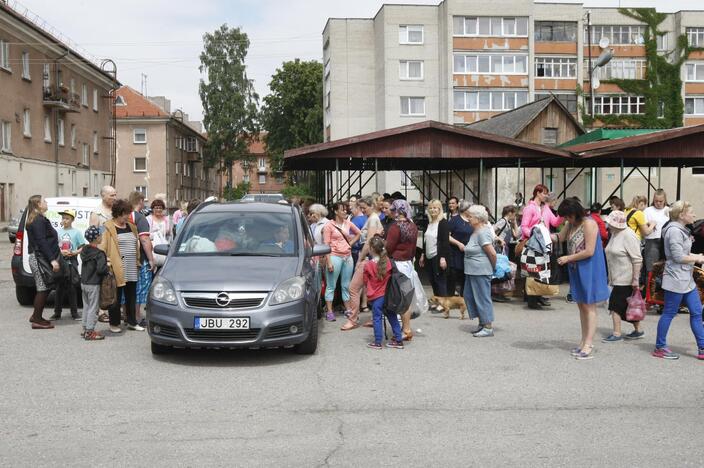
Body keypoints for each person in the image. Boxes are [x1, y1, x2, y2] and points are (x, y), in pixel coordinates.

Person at [551, 198, 610, 360]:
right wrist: (540, 234)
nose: (566, 220)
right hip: (576, 268)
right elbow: (559, 237)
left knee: (589, 306)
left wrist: (568, 258)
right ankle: (583, 340)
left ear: (575, 213)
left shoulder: (589, 224)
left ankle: (588, 343)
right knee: (581, 306)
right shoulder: (571, 224)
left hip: (589, 268)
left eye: (567, 216)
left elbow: (589, 251)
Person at [653, 201, 704, 360]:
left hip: (685, 279)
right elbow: (677, 257)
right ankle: (660, 347)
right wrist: (697, 258)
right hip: (676, 279)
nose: (694, 215)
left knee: (696, 312)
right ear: (681, 215)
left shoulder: (681, 229)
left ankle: (702, 347)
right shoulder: (674, 231)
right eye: (691, 212)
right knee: (669, 313)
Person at [341, 196, 384, 330]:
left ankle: (352, 319)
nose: (362, 210)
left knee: (353, 288)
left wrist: (360, 259)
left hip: (368, 259)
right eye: (361, 208)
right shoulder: (374, 218)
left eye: (364, 208)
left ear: (371, 206)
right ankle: (374, 317)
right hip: (374, 259)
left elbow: (369, 242)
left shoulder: (372, 219)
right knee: (373, 289)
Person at [100, 199, 142, 333]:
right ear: (119, 213)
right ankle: (114, 323)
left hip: (131, 267)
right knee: (116, 297)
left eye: (129, 213)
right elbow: (102, 248)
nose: (128, 216)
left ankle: (132, 322)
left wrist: (137, 261)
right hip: (116, 268)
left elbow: (136, 245)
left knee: (131, 296)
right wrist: (107, 263)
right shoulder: (108, 227)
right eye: (126, 213)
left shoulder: (132, 227)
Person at [603, 211, 644, 342]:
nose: (607, 225)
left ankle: (616, 333)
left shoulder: (628, 235)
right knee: (627, 306)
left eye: (610, 223)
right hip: (616, 276)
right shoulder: (615, 234)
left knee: (615, 305)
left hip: (626, 277)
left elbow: (637, 259)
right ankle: (638, 330)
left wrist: (635, 279)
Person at [521, 184, 563, 309]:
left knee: (542, 270)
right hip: (533, 244)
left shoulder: (545, 208)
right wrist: (534, 235)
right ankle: (532, 299)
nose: (546, 196)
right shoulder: (530, 208)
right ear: (538, 193)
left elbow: (555, 222)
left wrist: (562, 214)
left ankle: (538, 296)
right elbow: (524, 227)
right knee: (533, 270)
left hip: (544, 245)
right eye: (544, 193)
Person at [385, 199, 419, 341]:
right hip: (407, 264)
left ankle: (405, 330)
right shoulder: (412, 225)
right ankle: (406, 328)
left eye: (393, 210)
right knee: (406, 297)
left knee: (399, 298)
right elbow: (413, 247)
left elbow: (388, 248)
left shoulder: (395, 227)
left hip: (397, 265)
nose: (391, 212)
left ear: (398, 211)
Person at [461, 205, 497, 337]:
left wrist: (492, 268)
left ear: (478, 218)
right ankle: (483, 322)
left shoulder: (482, 232)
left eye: (470, 216)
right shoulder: (476, 232)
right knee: (470, 295)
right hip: (473, 270)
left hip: (480, 270)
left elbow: (492, 254)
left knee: (482, 297)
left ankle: (487, 326)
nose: (468, 219)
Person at [25, 195, 60, 329]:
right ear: (39, 204)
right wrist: (52, 260)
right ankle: (37, 320)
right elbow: (41, 241)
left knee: (44, 287)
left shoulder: (38, 219)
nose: (46, 202)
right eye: (44, 201)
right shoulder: (38, 220)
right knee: (43, 288)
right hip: (39, 258)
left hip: (39, 257)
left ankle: (36, 316)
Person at [322, 202, 361, 322]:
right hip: (334, 257)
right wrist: (328, 262)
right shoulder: (329, 226)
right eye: (342, 210)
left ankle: (348, 309)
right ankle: (329, 311)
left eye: (346, 210)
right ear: (335, 211)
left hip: (347, 257)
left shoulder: (348, 223)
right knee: (331, 285)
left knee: (346, 285)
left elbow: (359, 233)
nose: (345, 212)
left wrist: (349, 244)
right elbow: (326, 245)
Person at [364, 236, 404, 350]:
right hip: (388, 295)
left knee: (377, 318)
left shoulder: (368, 265)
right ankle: (398, 339)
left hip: (376, 296)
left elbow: (365, 281)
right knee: (392, 316)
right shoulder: (388, 262)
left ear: (371, 249)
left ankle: (378, 342)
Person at [128, 191, 157, 327]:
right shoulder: (140, 218)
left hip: (125, 258)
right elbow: (144, 240)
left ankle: (127, 314)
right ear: (140, 201)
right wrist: (151, 259)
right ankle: (137, 316)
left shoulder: (123, 217)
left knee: (127, 287)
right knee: (140, 288)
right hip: (140, 259)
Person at [51, 209, 85, 321]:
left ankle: (74, 313)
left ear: (72, 220)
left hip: (71, 263)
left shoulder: (76, 232)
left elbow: (82, 247)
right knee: (59, 288)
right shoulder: (58, 232)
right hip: (61, 263)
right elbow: (55, 247)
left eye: (67, 218)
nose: (64, 220)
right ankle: (57, 313)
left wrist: (74, 252)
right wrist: (60, 252)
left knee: (72, 288)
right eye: (63, 218)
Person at [80, 226, 109, 341]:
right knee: (93, 308)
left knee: (86, 306)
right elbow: (101, 270)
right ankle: (90, 331)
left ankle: (85, 327)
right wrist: (107, 267)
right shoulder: (99, 253)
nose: (102, 236)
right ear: (97, 238)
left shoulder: (84, 250)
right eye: (100, 235)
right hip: (93, 283)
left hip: (84, 282)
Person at [419, 199, 449, 305]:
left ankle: (443, 304)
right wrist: (422, 254)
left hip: (438, 256)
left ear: (440, 209)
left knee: (440, 281)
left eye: (435, 208)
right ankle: (437, 302)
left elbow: (445, 242)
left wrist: (443, 258)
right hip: (429, 255)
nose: (432, 210)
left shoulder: (443, 223)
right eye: (430, 208)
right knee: (432, 280)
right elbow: (425, 240)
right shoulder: (430, 223)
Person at [448, 200, 474, 296]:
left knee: (465, 277)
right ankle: (450, 299)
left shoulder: (472, 220)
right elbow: (447, 236)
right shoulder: (455, 220)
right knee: (454, 277)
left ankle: (464, 299)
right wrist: (458, 244)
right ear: (465, 209)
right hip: (456, 253)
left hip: (468, 253)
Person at [643, 189, 670, 276]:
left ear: (665, 200)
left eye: (660, 201)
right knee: (651, 269)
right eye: (656, 201)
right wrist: (649, 224)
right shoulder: (647, 210)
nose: (658, 203)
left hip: (666, 242)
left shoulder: (669, 210)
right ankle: (648, 289)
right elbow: (643, 227)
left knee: (666, 269)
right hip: (652, 241)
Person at [350, 201, 368, 267]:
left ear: (357, 208)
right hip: (366, 251)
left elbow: (351, 237)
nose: (351, 211)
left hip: (356, 251)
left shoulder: (355, 220)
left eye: (352, 208)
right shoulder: (367, 218)